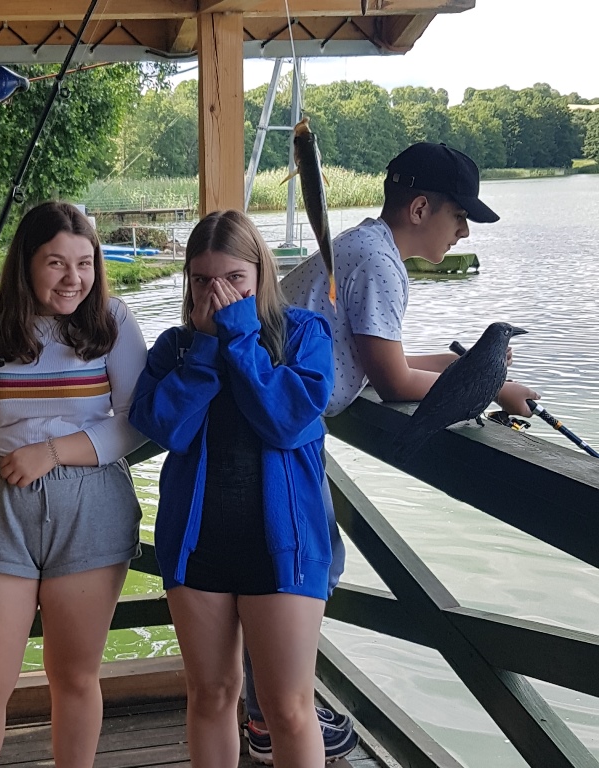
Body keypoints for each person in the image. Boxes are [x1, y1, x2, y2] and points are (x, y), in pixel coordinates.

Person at [241, 142, 541, 764]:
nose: (463, 231)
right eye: (460, 216)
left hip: (267, 422)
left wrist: (476, 367)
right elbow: (396, 381)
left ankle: (266, 704)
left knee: (291, 565)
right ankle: (270, 713)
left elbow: (385, 361)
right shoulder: (379, 263)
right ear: (421, 208)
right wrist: (495, 387)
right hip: (275, 433)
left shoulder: (361, 245)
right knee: (301, 568)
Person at [0, 201, 147, 768]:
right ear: (26, 263)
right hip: (0, 505)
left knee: (75, 676)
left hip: (91, 503)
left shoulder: (113, 321)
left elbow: (137, 422)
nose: (73, 279)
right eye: (56, 263)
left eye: (84, 263)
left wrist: (53, 452)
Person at [129, 210, 336, 768]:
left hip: (284, 547)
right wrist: (204, 348)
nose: (217, 293)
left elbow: (286, 422)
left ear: (261, 273)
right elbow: (166, 428)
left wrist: (241, 338)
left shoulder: (303, 334)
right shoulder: (175, 347)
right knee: (212, 694)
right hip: (197, 545)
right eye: (202, 280)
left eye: (234, 279)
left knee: (287, 707)